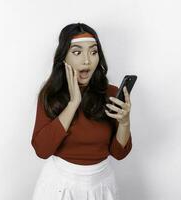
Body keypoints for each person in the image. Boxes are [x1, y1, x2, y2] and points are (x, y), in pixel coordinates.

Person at [31, 22, 132, 200]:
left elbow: (119, 153)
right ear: (64, 57)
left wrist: (124, 122)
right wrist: (73, 103)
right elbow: (42, 150)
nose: (87, 60)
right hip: (59, 186)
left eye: (93, 52)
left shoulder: (111, 93)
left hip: (102, 185)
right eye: (77, 52)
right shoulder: (50, 95)